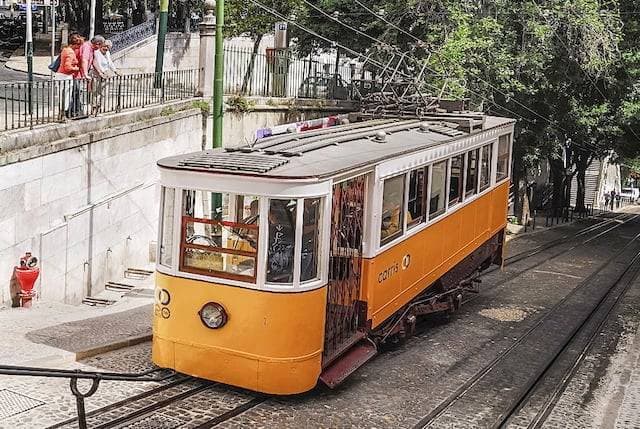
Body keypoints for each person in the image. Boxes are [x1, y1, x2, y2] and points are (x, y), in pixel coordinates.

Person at [91, 40, 120, 116]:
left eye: (108, 47)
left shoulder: (107, 53)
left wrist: (115, 71)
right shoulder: (96, 52)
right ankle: (94, 109)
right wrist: (101, 73)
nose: (106, 48)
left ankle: (100, 109)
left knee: (104, 93)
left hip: (106, 74)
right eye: (105, 46)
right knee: (96, 92)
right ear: (101, 45)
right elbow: (97, 63)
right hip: (97, 74)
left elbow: (110, 63)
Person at [57, 33, 82, 119]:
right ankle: (63, 115)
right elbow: (67, 67)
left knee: (62, 95)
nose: (79, 48)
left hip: (61, 75)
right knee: (66, 96)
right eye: (78, 45)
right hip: (65, 76)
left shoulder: (65, 49)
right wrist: (77, 68)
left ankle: (61, 114)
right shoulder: (70, 52)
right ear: (75, 44)